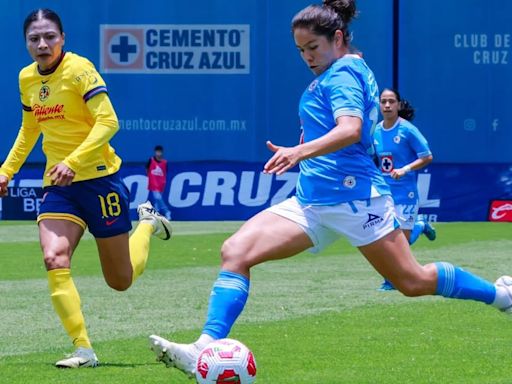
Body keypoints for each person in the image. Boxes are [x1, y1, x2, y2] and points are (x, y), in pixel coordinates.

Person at [148, 0, 512, 378]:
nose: (306, 56)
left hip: (356, 202)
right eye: (301, 50)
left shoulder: (341, 75)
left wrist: (298, 151)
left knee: (412, 281)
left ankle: (502, 296)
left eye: (313, 47)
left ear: (337, 38)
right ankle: (204, 348)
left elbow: (350, 128)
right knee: (236, 251)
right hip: (311, 201)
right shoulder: (345, 67)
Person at [0, 9, 172, 368]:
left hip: (98, 180)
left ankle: (147, 224)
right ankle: (83, 349)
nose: (42, 44)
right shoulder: (27, 79)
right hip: (58, 187)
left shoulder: (79, 70)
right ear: (26, 43)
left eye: (50, 36)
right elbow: (29, 129)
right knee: (54, 258)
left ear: (63, 38)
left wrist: (74, 161)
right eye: (34, 39)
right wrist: (6, 171)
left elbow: (109, 121)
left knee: (120, 280)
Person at [374, 89, 436, 291]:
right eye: (383, 101)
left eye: (391, 101)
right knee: (384, 237)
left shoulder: (407, 130)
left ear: (398, 105)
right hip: (384, 193)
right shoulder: (375, 131)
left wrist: (405, 169)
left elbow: (427, 156)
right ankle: (390, 279)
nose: (387, 105)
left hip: (406, 193)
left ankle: (419, 226)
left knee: (404, 241)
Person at [145, 145, 172, 220]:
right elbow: (147, 169)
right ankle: (167, 212)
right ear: (155, 152)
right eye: (157, 152)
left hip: (161, 184)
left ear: (162, 153)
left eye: (160, 152)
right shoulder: (151, 160)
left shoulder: (164, 162)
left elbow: (165, 172)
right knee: (158, 198)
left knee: (157, 201)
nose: (158, 153)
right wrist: (151, 177)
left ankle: (156, 215)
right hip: (153, 184)